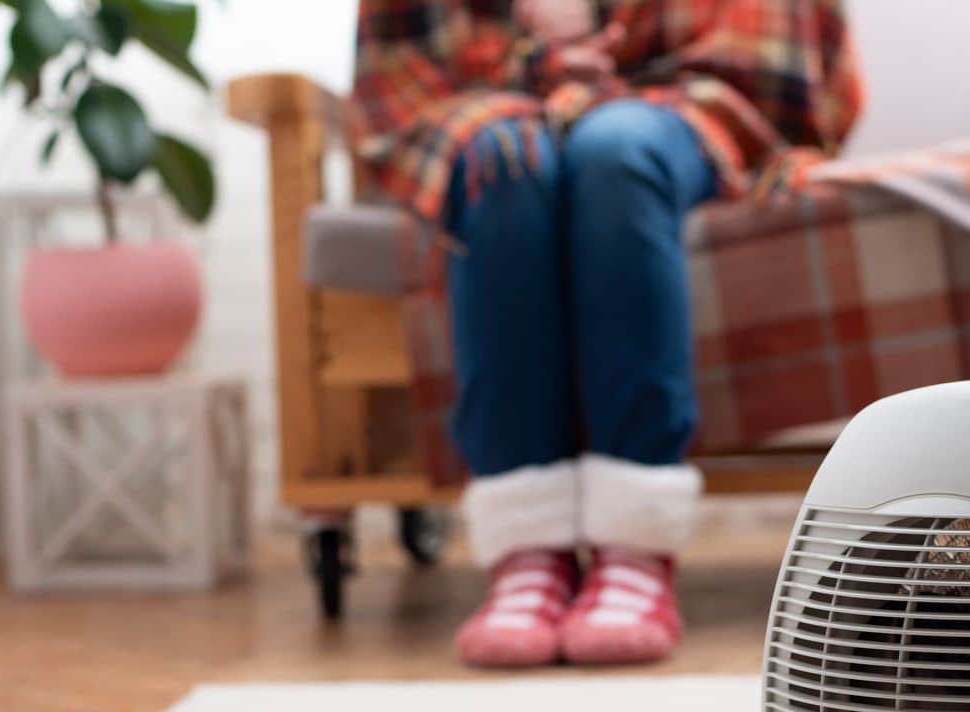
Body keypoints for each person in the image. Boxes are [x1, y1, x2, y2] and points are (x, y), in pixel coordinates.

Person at [348, 0, 863, 667]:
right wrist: (535, 55)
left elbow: (763, 51)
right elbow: (406, 61)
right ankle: (527, 554)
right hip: (487, 99)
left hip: (678, 94)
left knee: (616, 151)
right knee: (501, 161)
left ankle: (635, 550)